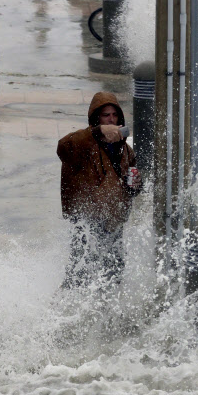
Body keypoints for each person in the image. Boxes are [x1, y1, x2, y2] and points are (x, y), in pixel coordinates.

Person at [57, 92, 142, 289]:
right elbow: (63, 147)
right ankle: (66, 310)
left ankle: (108, 313)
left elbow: (131, 188)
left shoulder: (126, 150)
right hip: (86, 220)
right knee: (80, 273)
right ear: (97, 118)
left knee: (114, 273)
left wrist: (137, 185)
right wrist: (98, 131)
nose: (111, 119)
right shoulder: (83, 143)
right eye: (106, 115)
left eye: (114, 115)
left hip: (113, 222)